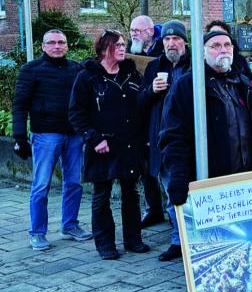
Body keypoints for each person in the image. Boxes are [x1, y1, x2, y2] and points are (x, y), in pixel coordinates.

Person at [158, 30, 252, 217]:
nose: (223, 50)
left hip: (248, 182)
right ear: (203, 52)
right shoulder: (187, 86)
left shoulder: (243, 84)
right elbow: (173, 136)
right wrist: (179, 177)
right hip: (211, 185)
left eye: (227, 45)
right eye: (215, 46)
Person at [68, 30, 148, 260]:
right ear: (104, 49)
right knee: (101, 194)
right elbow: (76, 113)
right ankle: (105, 244)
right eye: (118, 45)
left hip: (129, 144)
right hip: (102, 145)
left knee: (131, 192)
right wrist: (94, 138)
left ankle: (133, 239)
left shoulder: (131, 73)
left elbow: (142, 105)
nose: (123, 48)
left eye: (124, 44)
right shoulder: (87, 77)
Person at [12, 29, 90, 251]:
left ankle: (70, 225)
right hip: (46, 136)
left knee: (74, 182)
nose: (57, 46)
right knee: (41, 185)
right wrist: (19, 137)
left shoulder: (76, 69)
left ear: (67, 46)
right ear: (43, 46)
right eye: (52, 43)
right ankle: (37, 232)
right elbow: (19, 105)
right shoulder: (31, 70)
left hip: (74, 135)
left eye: (61, 42)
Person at [137, 20, 191, 261]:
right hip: (164, 141)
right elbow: (139, 103)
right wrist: (151, 90)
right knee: (171, 192)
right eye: (167, 40)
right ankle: (178, 240)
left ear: (185, 42)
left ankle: (197, 238)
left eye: (176, 39)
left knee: (195, 191)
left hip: (192, 140)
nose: (171, 43)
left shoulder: (196, 66)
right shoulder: (154, 67)